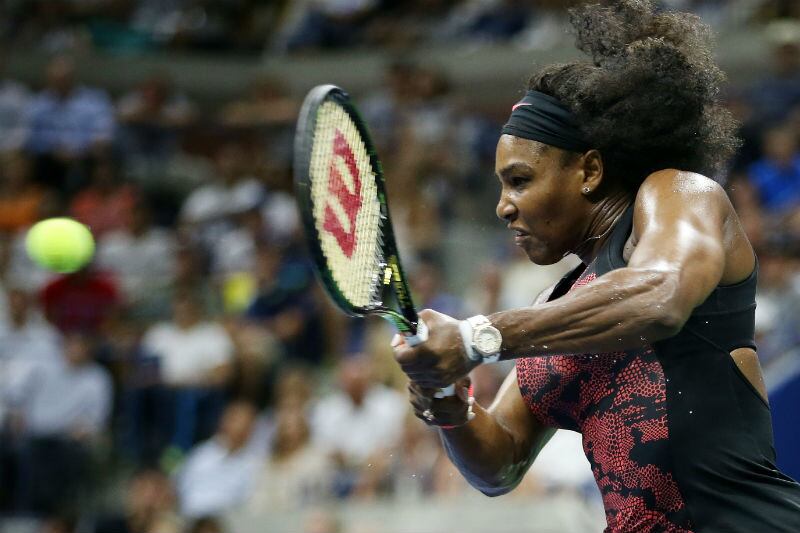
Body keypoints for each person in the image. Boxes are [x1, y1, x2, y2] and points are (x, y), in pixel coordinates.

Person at [391, 2, 800, 532]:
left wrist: (475, 338)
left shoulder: (678, 194)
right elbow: (500, 463)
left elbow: (660, 297)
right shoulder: (554, 309)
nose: (503, 206)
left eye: (519, 180)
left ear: (589, 170)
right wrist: (447, 399)